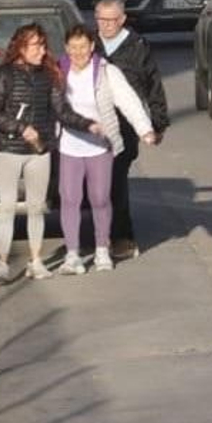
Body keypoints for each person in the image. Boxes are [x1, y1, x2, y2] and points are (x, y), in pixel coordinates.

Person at [0, 24, 101, 283]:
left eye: (43, 45)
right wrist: (20, 127)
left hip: (40, 150)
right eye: (36, 45)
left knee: (36, 207)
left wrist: (88, 124)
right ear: (21, 48)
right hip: (9, 149)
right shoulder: (5, 74)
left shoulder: (49, 75)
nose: (42, 50)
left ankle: (36, 261)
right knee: (8, 207)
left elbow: (62, 111)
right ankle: (2, 263)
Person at [54, 25, 158, 275]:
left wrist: (145, 129)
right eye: (73, 47)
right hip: (69, 145)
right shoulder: (58, 72)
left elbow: (128, 100)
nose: (78, 52)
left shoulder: (106, 71)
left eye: (83, 46)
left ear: (92, 47)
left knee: (100, 198)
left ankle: (102, 250)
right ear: (66, 48)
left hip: (100, 146)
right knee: (69, 200)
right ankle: (72, 255)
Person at [93, 0, 169, 259]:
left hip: (125, 125)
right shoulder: (88, 44)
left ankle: (121, 237)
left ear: (122, 19)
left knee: (115, 181)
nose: (105, 25)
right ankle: (95, 236)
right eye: (101, 19)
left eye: (111, 20)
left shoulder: (137, 46)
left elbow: (153, 85)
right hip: (92, 125)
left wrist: (157, 123)